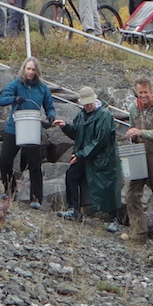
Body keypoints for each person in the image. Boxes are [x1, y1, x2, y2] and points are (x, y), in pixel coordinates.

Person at [54, 86, 121, 228]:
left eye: (89, 103)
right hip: (87, 156)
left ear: (95, 99)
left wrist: (80, 155)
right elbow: (77, 133)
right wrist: (65, 126)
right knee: (71, 174)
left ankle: (114, 219)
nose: (87, 106)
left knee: (107, 186)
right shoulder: (82, 115)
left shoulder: (105, 115)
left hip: (103, 159)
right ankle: (74, 210)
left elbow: (99, 142)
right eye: (85, 104)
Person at [0, 57, 56, 209]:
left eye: (33, 70)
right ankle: (10, 190)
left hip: (32, 127)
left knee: (35, 164)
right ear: (24, 69)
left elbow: (50, 106)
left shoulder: (42, 88)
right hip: (14, 127)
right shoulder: (16, 84)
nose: (30, 72)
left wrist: (51, 116)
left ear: (37, 71)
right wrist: (15, 99)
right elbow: (2, 99)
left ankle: (36, 198)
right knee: (4, 160)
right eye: (28, 69)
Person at [124, 76, 153, 243]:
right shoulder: (133, 109)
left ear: (151, 92)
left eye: (145, 92)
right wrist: (131, 134)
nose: (143, 96)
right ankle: (138, 232)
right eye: (140, 93)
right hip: (138, 157)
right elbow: (132, 129)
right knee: (130, 194)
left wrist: (141, 133)